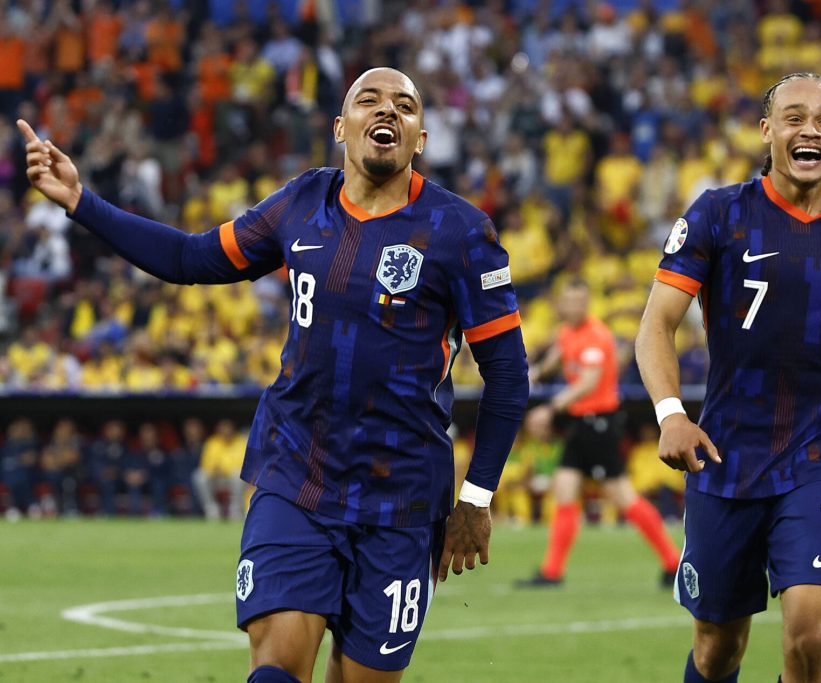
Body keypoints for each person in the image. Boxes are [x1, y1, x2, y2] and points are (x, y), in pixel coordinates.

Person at [19, 66, 529, 683]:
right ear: (341, 127)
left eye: (405, 105)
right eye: (369, 100)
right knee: (277, 667)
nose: (387, 111)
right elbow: (190, 257)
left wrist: (476, 498)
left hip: (402, 496)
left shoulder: (462, 232)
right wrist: (83, 202)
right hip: (297, 474)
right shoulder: (301, 203)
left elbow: (508, 374)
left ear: (420, 138)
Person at [634, 73, 821, 683]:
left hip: (817, 460)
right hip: (724, 461)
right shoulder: (719, 214)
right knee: (717, 650)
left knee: (810, 637)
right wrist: (671, 414)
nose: (809, 130)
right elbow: (656, 324)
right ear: (767, 131)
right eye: (794, 118)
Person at [518, 277, 680, 588]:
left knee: (621, 495)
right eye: (570, 301)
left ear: (587, 303)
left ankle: (673, 562)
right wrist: (534, 374)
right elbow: (558, 357)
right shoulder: (567, 332)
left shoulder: (596, 335)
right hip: (581, 424)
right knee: (565, 488)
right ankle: (552, 572)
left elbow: (588, 382)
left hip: (599, 425)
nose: (575, 306)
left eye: (580, 301)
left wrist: (550, 408)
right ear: (561, 303)